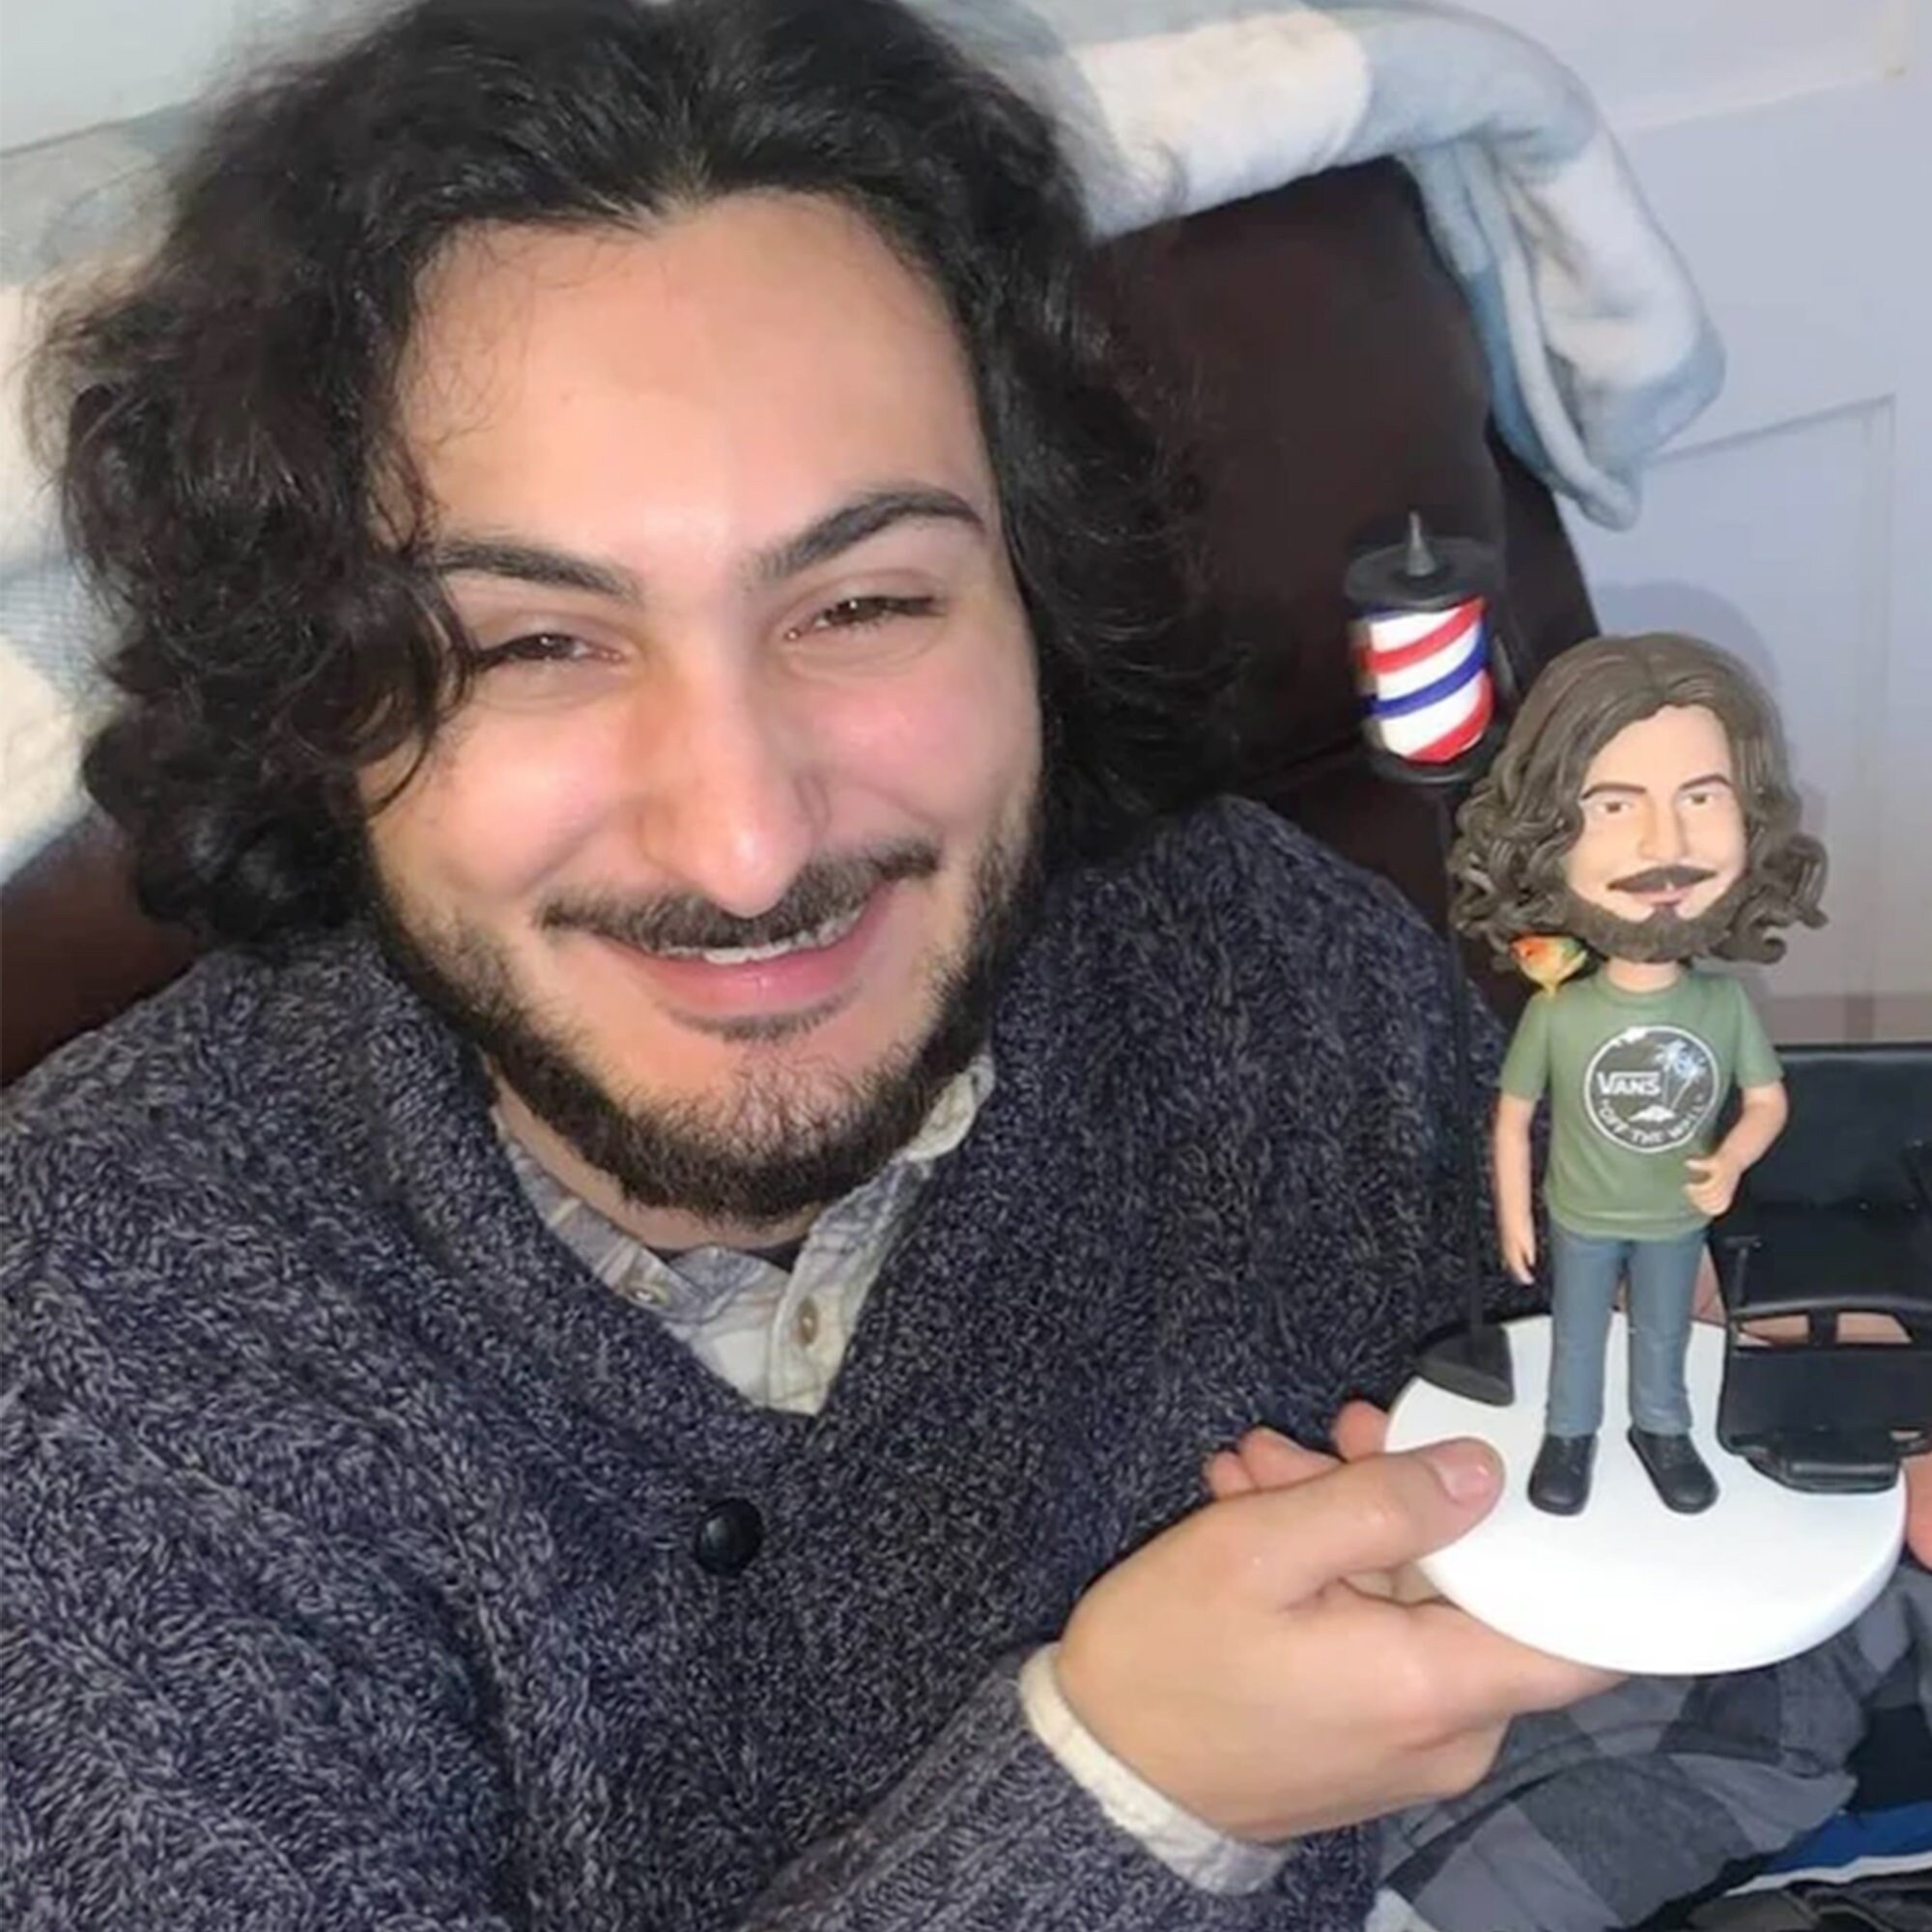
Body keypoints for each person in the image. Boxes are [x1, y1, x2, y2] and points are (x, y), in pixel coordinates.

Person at [0, 4, 1922, 1929]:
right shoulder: (96, 1355)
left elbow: (1553, 1422)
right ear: (315, 689)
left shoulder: (1258, 960)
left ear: (1033, 598)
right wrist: (1131, 1791)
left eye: (862, 602)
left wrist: (1781, 1423)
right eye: (534, 644)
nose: (746, 845)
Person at [1447, 634, 1826, 1516]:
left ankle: (1661, 1427)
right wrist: (1514, 1216)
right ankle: (1569, 1435)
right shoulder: (1559, 1013)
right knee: (1579, 1334)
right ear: (1548, 830)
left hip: (1675, 1215)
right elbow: (1512, 1116)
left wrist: (1731, 1160)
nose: (1666, 841)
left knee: (1663, 1331)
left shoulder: (1722, 1006)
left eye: (1701, 797)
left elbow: (1767, 1100)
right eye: (1615, 806)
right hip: (1581, 1215)